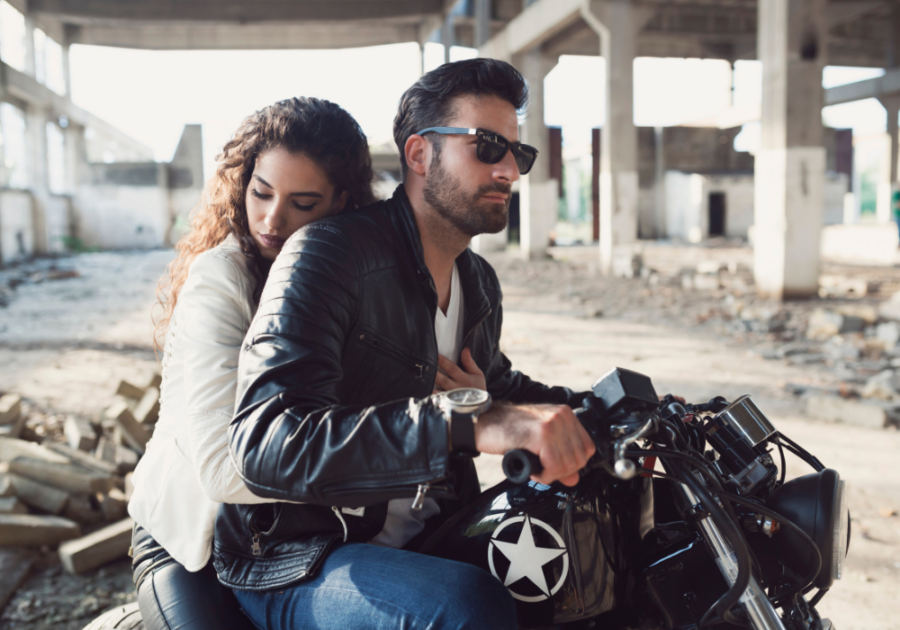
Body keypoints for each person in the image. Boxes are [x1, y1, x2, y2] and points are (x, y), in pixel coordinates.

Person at [214, 58, 597, 630]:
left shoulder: (478, 282)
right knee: (466, 605)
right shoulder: (330, 255)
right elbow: (269, 442)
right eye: (488, 146)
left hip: (432, 530)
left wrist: (611, 408)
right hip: (301, 558)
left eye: (518, 153)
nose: (509, 170)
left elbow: (502, 388)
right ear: (420, 154)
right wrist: (463, 423)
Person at [126, 97, 381, 630]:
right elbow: (223, 468)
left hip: (285, 536)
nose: (270, 219)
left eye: (302, 203)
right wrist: (394, 459)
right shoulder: (219, 280)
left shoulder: (348, 280)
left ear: (342, 203)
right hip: (188, 541)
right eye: (260, 192)